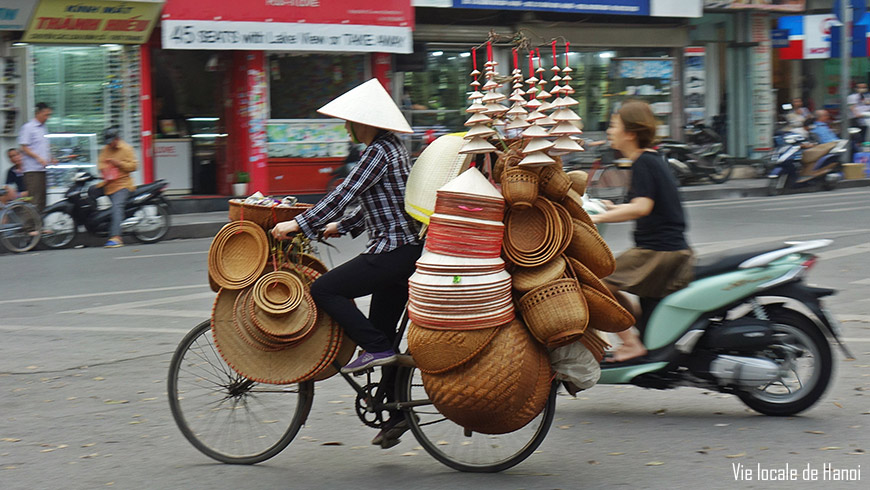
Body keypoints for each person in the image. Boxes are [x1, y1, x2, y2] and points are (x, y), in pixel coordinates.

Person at [271, 79, 423, 448]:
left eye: (349, 121)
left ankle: (376, 348)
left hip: (393, 252)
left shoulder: (376, 152)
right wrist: (344, 226)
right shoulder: (393, 147)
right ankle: (397, 414)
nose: (346, 127)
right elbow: (386, 201)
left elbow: (344, 192)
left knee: (324, 288)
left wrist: (298, 223)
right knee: (383, 330)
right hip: (404, 250)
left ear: (365, 122)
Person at [590, 100, 694, 363]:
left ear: (630, 133)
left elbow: (642, 207)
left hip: (659, 251)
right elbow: (644, 203)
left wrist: (601, 217)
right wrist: (613, 207)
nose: (609, 131)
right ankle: (638, 335)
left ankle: (631, 343)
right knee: (611, 287)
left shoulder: (643, 162)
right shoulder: (650, 159)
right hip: (666, 248)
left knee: (596, 285)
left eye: (614, 125)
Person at [92, 128, 138, 248]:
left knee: (117, 207)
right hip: (108, 184)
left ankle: (116, 237)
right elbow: (100, 163)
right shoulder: (105, 149)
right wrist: (106, 166)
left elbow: (134, 166)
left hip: (122, 185)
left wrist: (118, 164)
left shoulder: (127, 149)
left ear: (117, 139)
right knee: (90, 191)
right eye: (108, 142)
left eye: (111, 141)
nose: (110, 144)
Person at [17, 102, 53, 213]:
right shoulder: (28, 127)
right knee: (34, 198)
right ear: (38, 113)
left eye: (49, 115)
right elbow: (24, 147)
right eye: (45, 115)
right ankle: (30, 227)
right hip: (32, 169)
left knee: (42, 198)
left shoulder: (43, 128)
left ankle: (40, 225)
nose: (47, 118)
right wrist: (38, 158)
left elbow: (42, 147)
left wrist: (51, 157)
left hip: (42, 168)